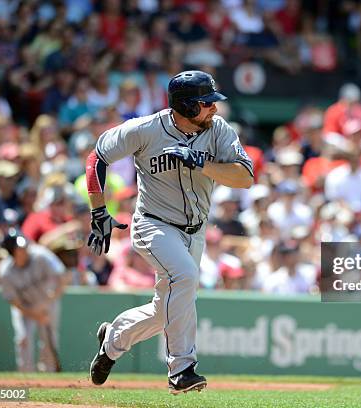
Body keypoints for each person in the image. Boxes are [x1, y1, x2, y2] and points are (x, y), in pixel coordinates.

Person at [86, 70, 253, 394]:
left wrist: (201, 164)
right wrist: (98, 211)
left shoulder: (218, 130)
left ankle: (114, 339)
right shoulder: (146, 129)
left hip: (196, 230)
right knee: (186, 278)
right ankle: (182, 369)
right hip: (154, 223)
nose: (214, 109)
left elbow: (245, 176)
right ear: (188, 106)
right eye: (207, 104)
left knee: (167, 309)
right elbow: (97, 157)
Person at [0, 228, 69, 372]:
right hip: (25, 307)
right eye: (19, 249)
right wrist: (35, 314)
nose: (24, 250)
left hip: (48, 301)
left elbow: (62, 279)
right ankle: (26, 375)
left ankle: (49, 374)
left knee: (48, 340)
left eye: (24, 247)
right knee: (23, 338)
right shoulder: (5, 270)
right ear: (12, 253)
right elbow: (14, 301)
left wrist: (48, 303)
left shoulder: (41, 255)